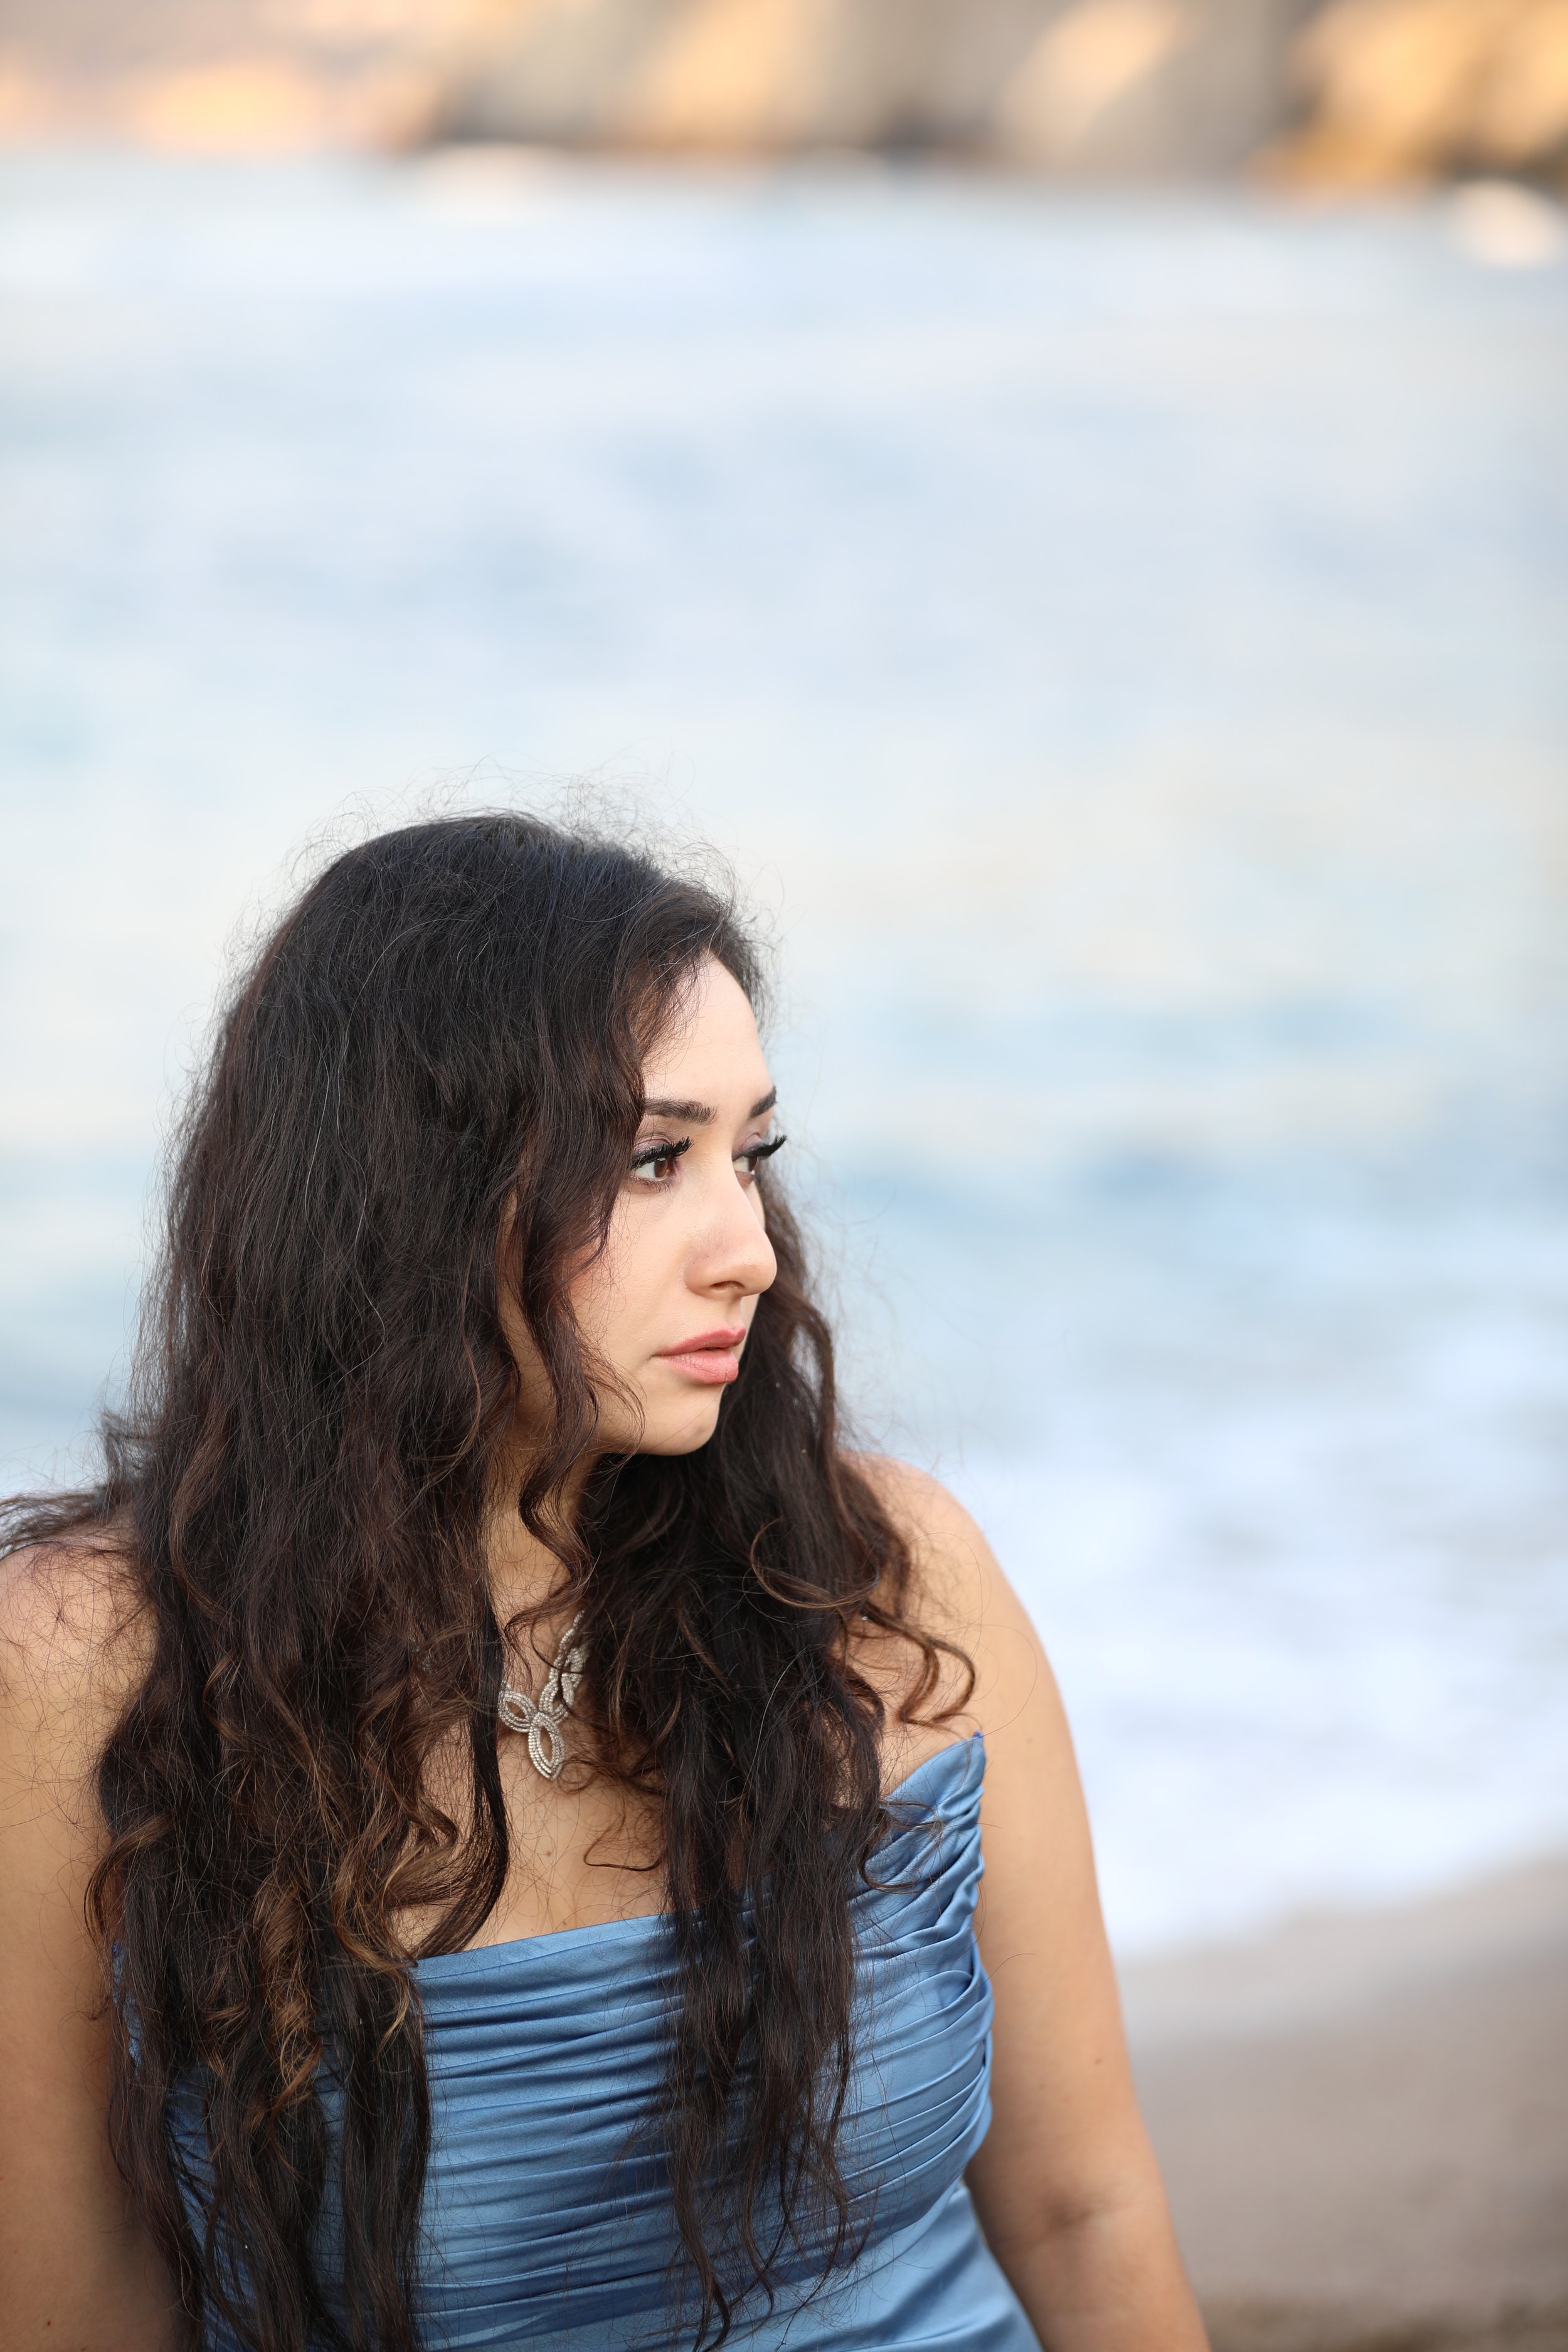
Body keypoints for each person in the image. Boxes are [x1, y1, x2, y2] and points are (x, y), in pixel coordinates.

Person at [0, 813, 1208, 2352]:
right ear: (415, 1191)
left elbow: (1079, 2209)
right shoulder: (94, 1664)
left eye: (748, 1154)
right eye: (652, 1160)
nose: (751, 1252)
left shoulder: (880, 1581)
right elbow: (74, 2317)